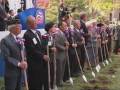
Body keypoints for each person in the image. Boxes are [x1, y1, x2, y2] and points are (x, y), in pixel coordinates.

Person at [0, 19, 27, 90]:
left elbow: (22, 53)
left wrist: (24, 60)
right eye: (19, 27)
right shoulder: (5, 40)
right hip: (11, 73)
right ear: (12, 28)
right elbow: (6, 57)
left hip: (20, 72)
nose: (21, 29)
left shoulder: (19, 39)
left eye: (21, 27)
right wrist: (19, 64)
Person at [23, 16, 49, 90]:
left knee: (40, 81)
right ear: (28, 24)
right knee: (34, 83)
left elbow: (40, 46)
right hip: (33, 63)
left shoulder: (38, 32)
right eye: (33, 22)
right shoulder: (27, 35)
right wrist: (42, 56)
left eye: (35, 21)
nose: (36, 23)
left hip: (41, 62)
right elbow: (32, 50)